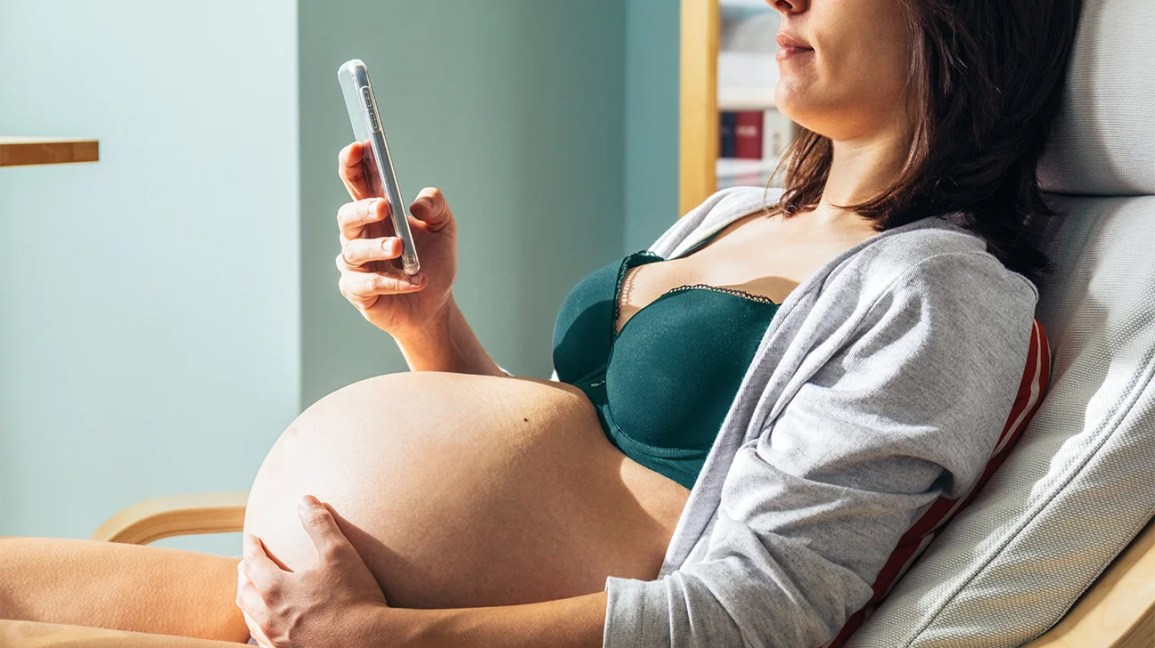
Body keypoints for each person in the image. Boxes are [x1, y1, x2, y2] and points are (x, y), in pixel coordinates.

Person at [0, 0, 1081, 646]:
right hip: (330, 611)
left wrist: (388, 638)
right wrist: (430, 326)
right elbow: (578, 453)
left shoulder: (944, 292)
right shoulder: (748, 209)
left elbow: (761, 611)